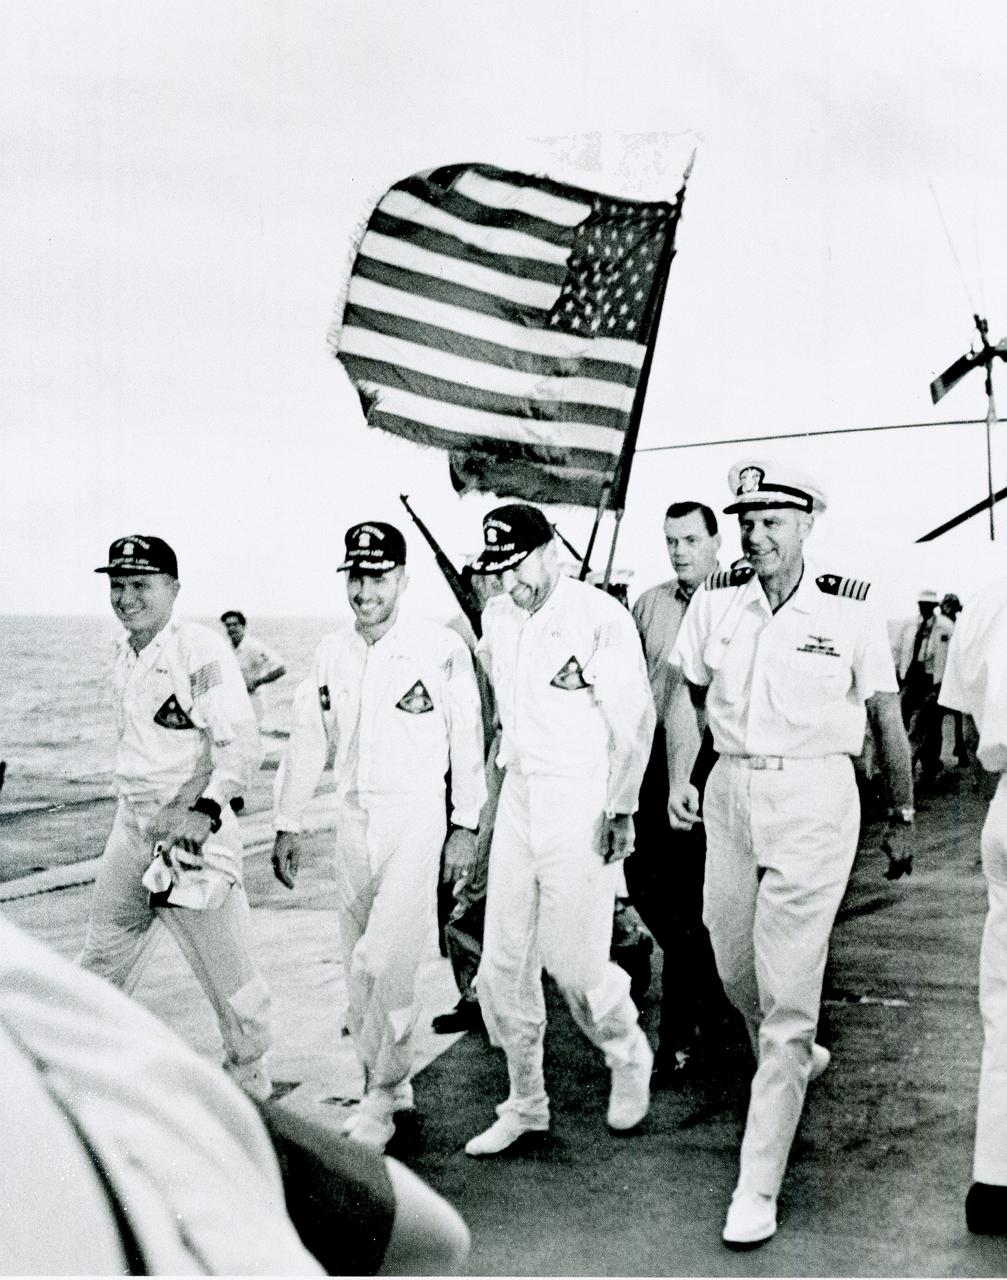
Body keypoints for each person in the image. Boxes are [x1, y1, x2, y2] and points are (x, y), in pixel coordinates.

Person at [666, 462, 915, 1248]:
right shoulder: (716, 600)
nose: (753, 531)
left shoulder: (850, 608)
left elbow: (884, 716)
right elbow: (683, 690)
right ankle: (793, 1051)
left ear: (808, 523)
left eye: (772, 517)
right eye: (745, 517)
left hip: (814, 798)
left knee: (787, 1000)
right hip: (731, 793)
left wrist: (901, 813)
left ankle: (756, 1183)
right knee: (731, 961)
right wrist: (681, 773)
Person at [1, 916, 471, 1275]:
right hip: (141, 819)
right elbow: (431, 1235)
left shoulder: (42, 1015)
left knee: (243, 995)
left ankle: (316, 1084)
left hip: (199, 839)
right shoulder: (58, 1024)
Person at [271, 521, 486, 1150]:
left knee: (386, 957)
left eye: (379, 575)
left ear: (402, 579)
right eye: (357, 576)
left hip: (416, 817)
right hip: (352, 819)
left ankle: (382, 1094)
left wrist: (466, 824)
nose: (366, 589)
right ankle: (388, 1081)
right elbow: (310, 739)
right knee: (356, 959)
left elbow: (467, 740)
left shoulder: (438, 649)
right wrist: (287, 819)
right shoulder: (332, 652)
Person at [464, 503, 656, 1156]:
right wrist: (489, 817)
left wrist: (621, 808)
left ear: (551, 552)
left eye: (516, 567)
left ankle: (626, 1048)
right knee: (500, 968)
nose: (508, 585)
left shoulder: (599, 618)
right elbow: (500, 720)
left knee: (572, 964)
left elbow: (633, 724)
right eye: (497, 572)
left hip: (582, 799)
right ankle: (525, 1103)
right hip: (520, 794)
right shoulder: (497, 616)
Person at [81, 534, 272, 1100]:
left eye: (140, 585)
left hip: (193, 839)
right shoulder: (124, 652)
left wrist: (204, 811)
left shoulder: (200, 650)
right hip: (133, 825)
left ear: (173, 589)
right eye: (118, 586)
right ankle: (78, 1083)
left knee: (235, 988)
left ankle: (253, 1092)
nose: (126, 598)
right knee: (100, 960)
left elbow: (241, 745)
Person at [627, 499, 736, 1083]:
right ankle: (716, 1007)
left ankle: (676, 1040)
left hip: (707, 764)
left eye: (691, 540)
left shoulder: (738, 600)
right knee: (642, 882)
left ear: (715, 542)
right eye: (671, 540)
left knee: (692, 898)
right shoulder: (648, 603)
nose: (679, 551)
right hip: (651, 765)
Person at [938, 578, 1007, 1235]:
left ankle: (995, 1181)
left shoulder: (986, 597)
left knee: (1004, 1007)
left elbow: (961, 707)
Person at [221, 609, 287, 724]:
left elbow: (281, 668)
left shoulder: (254, 647)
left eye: (235, 625)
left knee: (251, 736)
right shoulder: (227, 648)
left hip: (253, 701)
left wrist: (257, 682)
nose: (231, 629)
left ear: (243, 626)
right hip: (234, 701)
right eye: (228, 626)